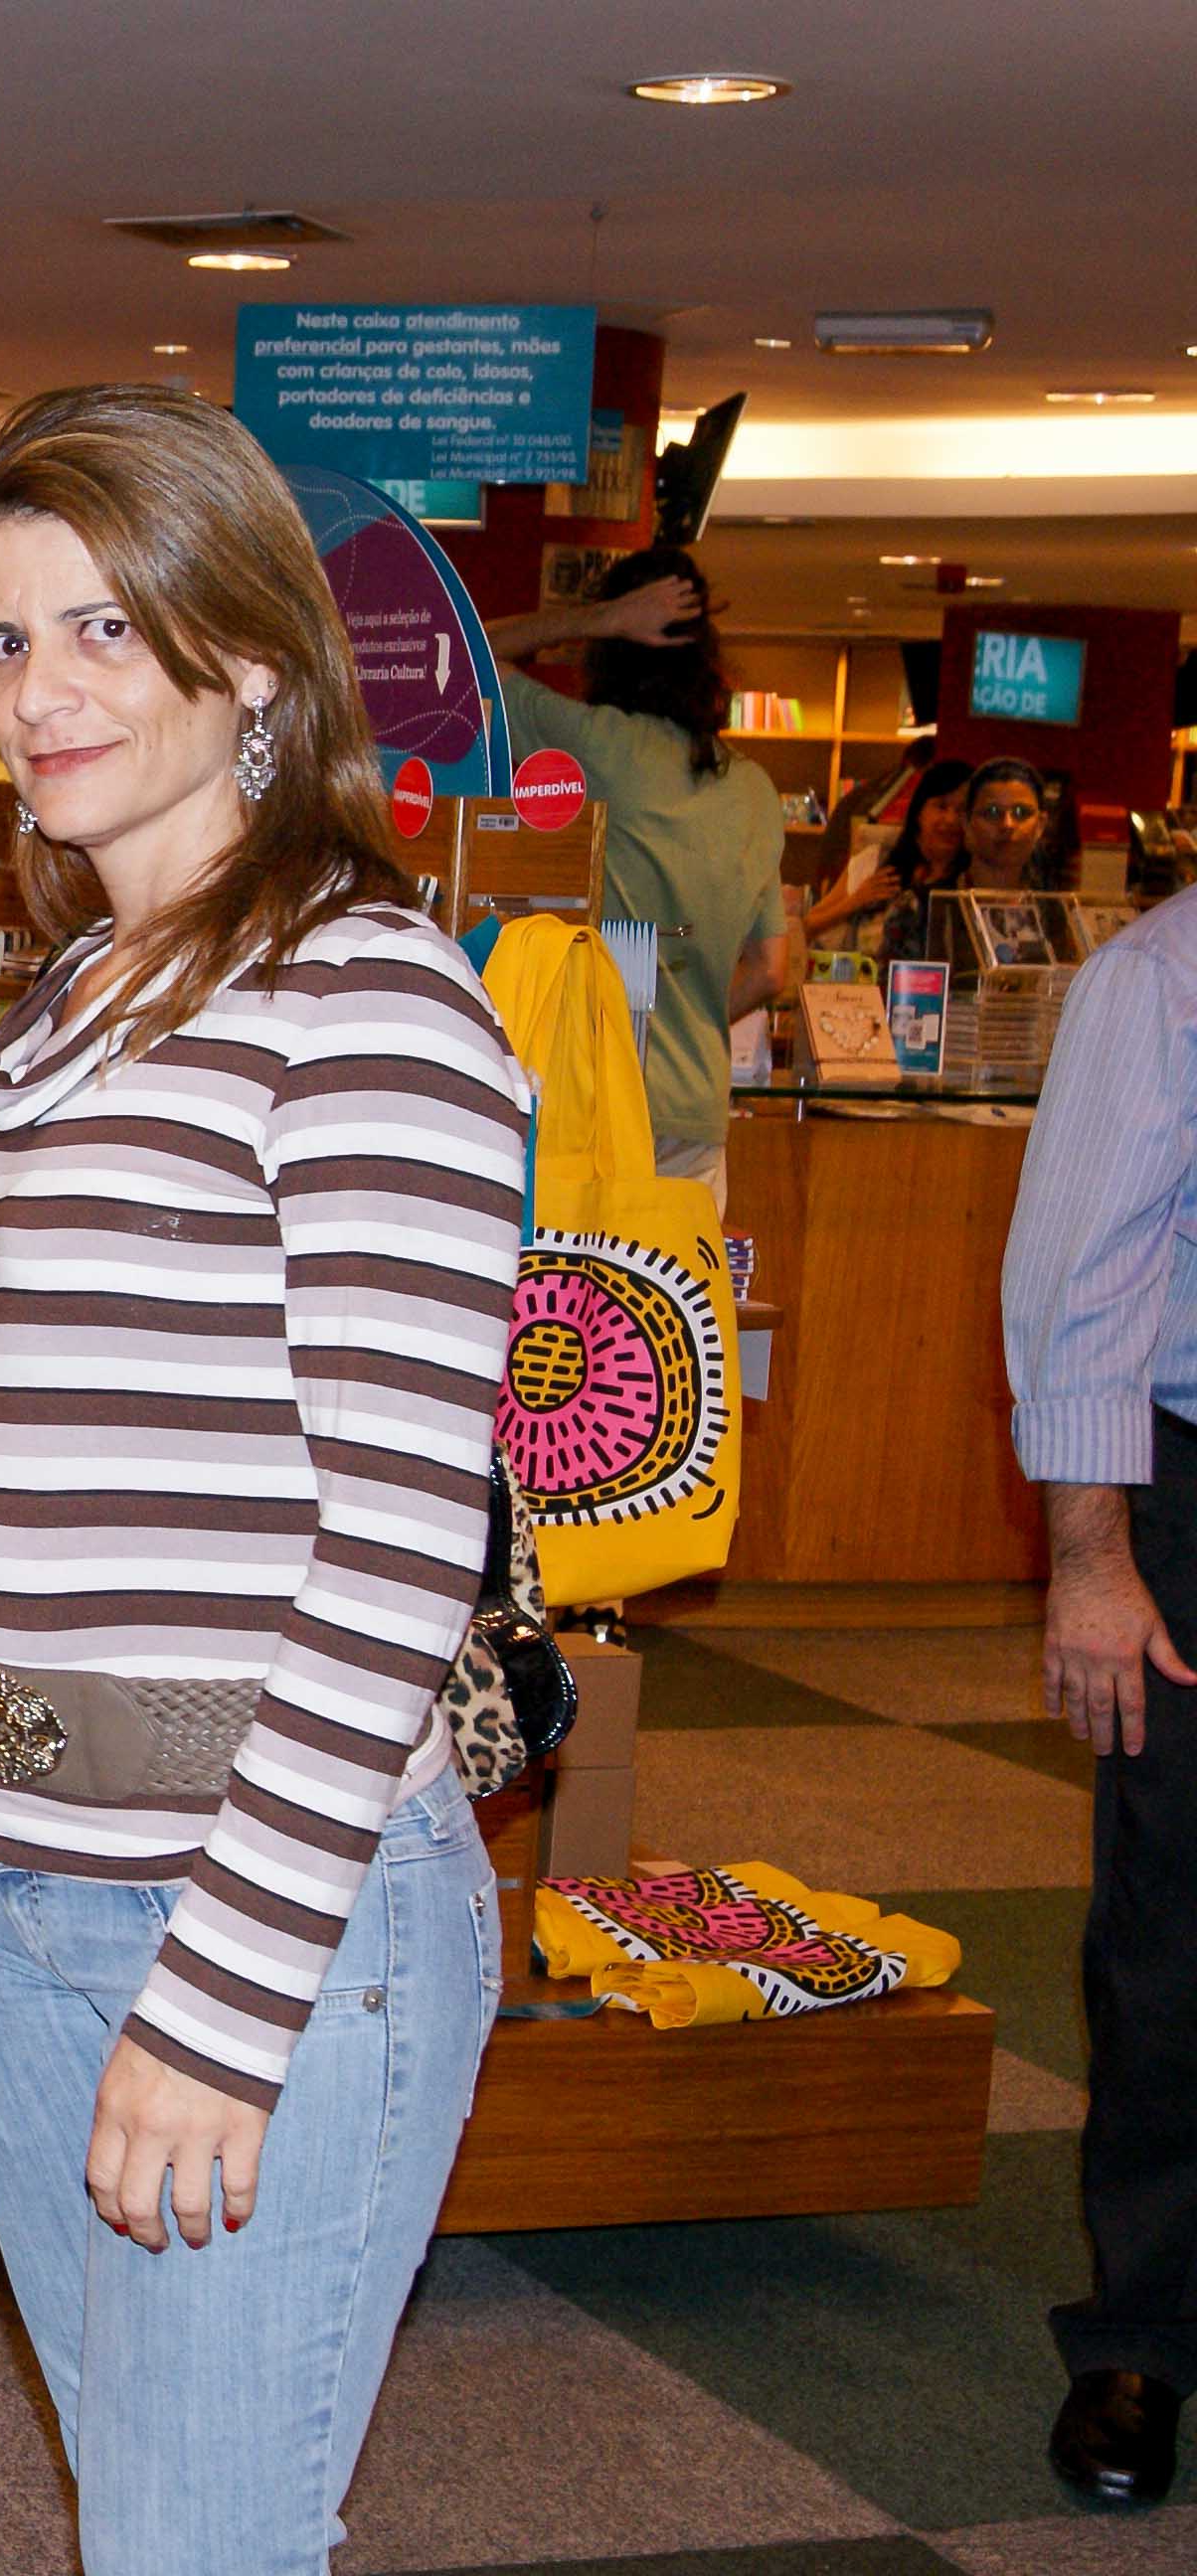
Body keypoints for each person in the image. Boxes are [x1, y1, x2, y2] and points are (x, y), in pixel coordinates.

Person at [0, 384, 525, 2575]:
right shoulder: (77, 991)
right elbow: (67, 1343)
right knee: (162, 2521)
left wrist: (225, 2002)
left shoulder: (369, 1009)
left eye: (102, 632)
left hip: (247, 1905)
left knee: (198, 2545)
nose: (34, 697)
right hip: (1, 1876)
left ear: (247, 657)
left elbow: (388, 1547)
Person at [1001, 882, 1197, 2510]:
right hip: (1185, 1498)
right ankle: (1139, 2335)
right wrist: (1089, 1558)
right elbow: (1087, 1271)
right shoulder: (1160, 977)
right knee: (1177, 1930)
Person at [481, 555, 787, 1214]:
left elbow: (467, 651)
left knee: (577, 1312)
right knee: (670, 1311)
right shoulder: (755, 790)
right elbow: (769, 972)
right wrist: (689, 1013)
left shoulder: (598, 746)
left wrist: (600, 618)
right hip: (698, 1110)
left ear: (610, 651)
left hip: (592, 1105)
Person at [805, 754, 971, 960]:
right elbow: (807, 926)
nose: (951, 820)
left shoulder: (973, 876)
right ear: (919, 811)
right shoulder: (876, 858)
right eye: (941, 806)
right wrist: (857, 900)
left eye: (961, 810)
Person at [961, 755, 1073, 893]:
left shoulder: (1053, 911)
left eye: (1021, 813)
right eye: (993, 812)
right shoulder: (933, 904)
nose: (1007, 824)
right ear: (967, 823)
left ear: (1040, 825)